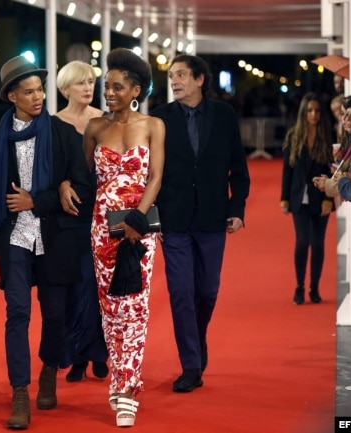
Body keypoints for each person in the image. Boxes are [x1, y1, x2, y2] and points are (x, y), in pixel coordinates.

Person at [0, 55, 91, 430]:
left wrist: (39, 199)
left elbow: (83, 188)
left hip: (54, 235)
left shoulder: (63, 134)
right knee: (17, 314)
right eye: (28, 92)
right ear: (11, 95)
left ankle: (48, 370)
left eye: (40, 90)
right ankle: (19, 392)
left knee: (55, 314)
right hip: (12, 237)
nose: (38, 97)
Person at [151, 54, 250, 393]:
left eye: (181, 74)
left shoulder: (223, 115)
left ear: (199, 79)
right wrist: (152, 218)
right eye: (171, 76)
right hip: (173, 220)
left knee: (206, 291)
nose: (174, 81)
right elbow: (150, 173)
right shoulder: (160, 117)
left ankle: (198, 336)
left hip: (212, 217)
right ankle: (190, 365)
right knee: (180, 292)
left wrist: (237, 208)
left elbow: (238, 165)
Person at [83, 48, 165, 427]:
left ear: (135, 89)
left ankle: (128, 388)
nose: (109, 92)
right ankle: (118, 378)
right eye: (106, 86)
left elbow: (155, 179)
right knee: (110, 310)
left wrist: (137, 218)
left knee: (135, 307)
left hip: (140, 229)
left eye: (117, 87)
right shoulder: (95, 128)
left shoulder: (153, 125)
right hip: (103, 230)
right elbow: (92, 180)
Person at [55, 60, 108, 382]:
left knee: (98, 286)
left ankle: (98, 353)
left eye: (91, 81)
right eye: (81, 83)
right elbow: (49, 170)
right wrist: (62, 185)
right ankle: (76, 356)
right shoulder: (53, 124)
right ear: (65, 89)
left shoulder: (104, 121)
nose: (89, 87)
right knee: (74, 288)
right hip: (68, 214)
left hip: (101, 211)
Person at [280, 92, 334, 305]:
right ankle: (300, 287)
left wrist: (329, 197)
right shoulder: (294, 136)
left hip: (321, 197)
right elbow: (287, 169)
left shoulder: (328, 137)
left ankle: (315, 288)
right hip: (297, 197)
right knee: (302, 241)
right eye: (309, 110)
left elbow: (332, 169)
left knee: (318, 243)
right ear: (304, 112)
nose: (313, 114)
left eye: (317, 111)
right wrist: (284, 198)